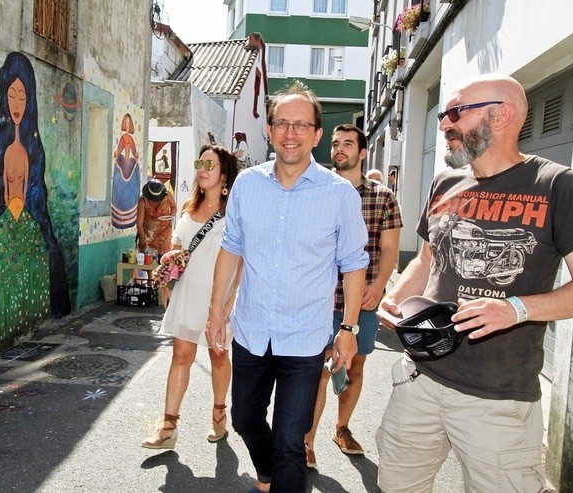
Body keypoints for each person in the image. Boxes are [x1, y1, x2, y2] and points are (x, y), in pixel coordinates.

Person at [376, 73, 573, 492]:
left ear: (500, 115)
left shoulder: (558, 186)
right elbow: (429, 261)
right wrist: (396, 299)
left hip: (498, 400)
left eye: (454, 113)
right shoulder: (445, 182)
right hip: (420, 379)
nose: (444, 124)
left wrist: (516, 309)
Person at [206, 81, 369, 493]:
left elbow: (354, 265)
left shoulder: (339, 194)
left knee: (291, 443)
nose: (290, 133)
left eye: (301, 125)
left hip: (305, 338)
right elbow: (231, 252)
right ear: (270, 130)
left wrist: (348, 328)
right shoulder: (246, 185)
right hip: (251, 332)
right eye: (282, 123)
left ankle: (280, 478)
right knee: (244, 418)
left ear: (317, 134)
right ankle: (267, 475)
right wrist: (215, 313)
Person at [304, 125, 402, 465]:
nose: (339, 149)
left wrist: (379, 285)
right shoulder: (314, 190)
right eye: (335, 143)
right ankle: (307, 441)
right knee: (317, 371)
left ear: (362, 153)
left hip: (363, 303)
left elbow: (390, 248)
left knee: (354, 369)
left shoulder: (383, 197)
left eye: (348, 144)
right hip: (319, 301)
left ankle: (342, 427)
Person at [141, 144, 240, 450]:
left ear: (225, 175)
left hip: (219, 298)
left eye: (210, 165)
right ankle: (168, 425)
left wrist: (224, 307)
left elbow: (240, 265)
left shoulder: (234, 214)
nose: (202, 169)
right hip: (188, 293)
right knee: (180, 355)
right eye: (200, 163)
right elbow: (178, 241)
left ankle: (219, 412)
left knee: (218, 355)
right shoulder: (188, 207)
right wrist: (171, 257)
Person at [0, 51, 70, 350]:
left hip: (25, 224)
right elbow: (4, 193)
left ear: (29, 100)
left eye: (22, 96)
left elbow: (33, 190)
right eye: (11, 95)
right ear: (4, 98)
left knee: (28, 283)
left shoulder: (33, 150)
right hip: (9, 225)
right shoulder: (3, 151)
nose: (17, 103)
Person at [136, 180, 177, 258]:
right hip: (148, 234)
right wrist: (142, 239)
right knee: (149, 260)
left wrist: (171, 215)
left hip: (165, 233)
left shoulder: (167, 195)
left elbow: (174, 207)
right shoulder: (143, 201)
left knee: (164, 259)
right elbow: (139, 222)